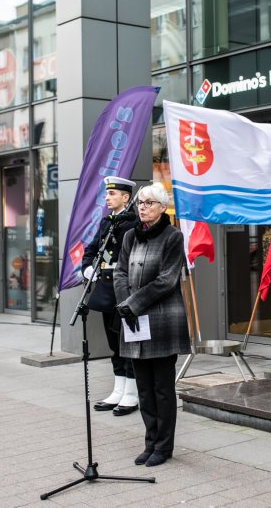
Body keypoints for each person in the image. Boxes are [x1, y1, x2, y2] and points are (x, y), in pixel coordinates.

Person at [113, 183, 190, 468]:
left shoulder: (173, 237)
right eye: (140, 203)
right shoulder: (131, 236)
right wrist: (125, 305)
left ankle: (163, 446)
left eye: (148, 203)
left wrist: (132, 304)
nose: (142, 207)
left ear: (161, 207)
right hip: (134, 321)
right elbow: (120, 272)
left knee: (162, 389)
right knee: (143, 388)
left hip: (162, 321)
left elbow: (167, 281)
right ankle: (150, 442)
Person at [83, 176, 141, 416]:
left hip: (125, 288)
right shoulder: (108, 223)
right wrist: (88, 267)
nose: (107, 198)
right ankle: (118, 388)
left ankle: (131, 393)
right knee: (113, 342)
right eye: (107, 194)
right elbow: (92, 249)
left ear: (126, 197)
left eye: (112, 194)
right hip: (106, 288)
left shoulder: (133, 223)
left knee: (127, 342)